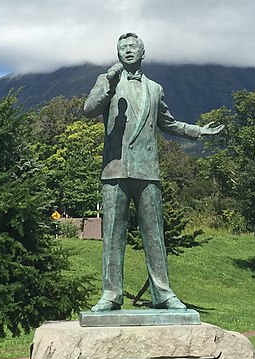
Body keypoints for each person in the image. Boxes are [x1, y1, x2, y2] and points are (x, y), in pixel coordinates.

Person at [83, 32, 223, 312]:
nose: (128, 51)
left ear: (143, 53)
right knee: (112, 234)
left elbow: (168, 123)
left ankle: (162, 292)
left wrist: (197, 131)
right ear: (118, 54)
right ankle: (111, 294)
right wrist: (108, 82)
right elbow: (89, 109)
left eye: (133, 46)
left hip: (148, 171)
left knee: (154, 234)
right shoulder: (107, 82)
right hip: (115, 170)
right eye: (122, 48)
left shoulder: (155, 89)